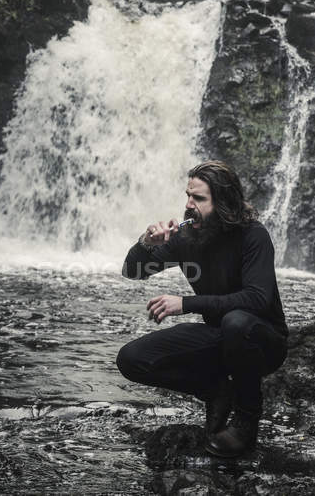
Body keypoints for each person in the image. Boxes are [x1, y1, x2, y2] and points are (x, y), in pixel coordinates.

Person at [116, 160, 288, 457]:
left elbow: (257, 299)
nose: (189, 204)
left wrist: (186, 303)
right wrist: (146, 243)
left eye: (198, 198)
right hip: (219, 336)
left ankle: (247, 418)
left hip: (262, 341)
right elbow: (133, 271)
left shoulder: (253, 236)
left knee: (236, 322)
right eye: (188, 196)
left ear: (224, 202)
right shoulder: (186, 237)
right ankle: (216, 390)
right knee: (131, 359)